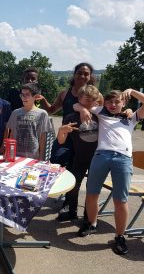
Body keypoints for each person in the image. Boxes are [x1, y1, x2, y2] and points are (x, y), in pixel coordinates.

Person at [76, 89, 144, 256]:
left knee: (120, 200)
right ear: (104, 103)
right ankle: (92, 223)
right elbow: (76, 104)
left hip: (123, 158)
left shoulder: (132, 117)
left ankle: (119, 237)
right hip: (101, 155)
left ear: (123, 103)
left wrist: (132, 91)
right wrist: (84, 109)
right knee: (92, 193)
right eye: (110, 102)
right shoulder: (100, 111)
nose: (113, 105)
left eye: (117, 102)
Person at [38, 62, 100, 167]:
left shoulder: (97, 96)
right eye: (79, 73)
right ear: (74, 74)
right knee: (56, 164)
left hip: (86, 140)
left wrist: (126, 112)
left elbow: (106, 115)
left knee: (78, 171)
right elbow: (51, 110)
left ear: (90, 77)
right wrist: (43, 100)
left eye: (86, 74)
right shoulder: (64, 94)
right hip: (66, 136)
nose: (82, 76)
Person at [55, 85, 100, 222]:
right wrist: (62, 131)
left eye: (93, 100)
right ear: (79, 99)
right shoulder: (71, 117)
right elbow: (61, 141)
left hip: (97, 159)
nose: (89, 102)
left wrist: (127, 110)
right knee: (73, 186)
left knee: (92, 191)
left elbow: (115, 110)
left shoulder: (100, 116)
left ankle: (89, 217)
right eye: (86, 99)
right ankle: (71, 211)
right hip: (79, 157)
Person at [3, 83, 51, 160]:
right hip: (15, 155)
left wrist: (41, 157)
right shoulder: (15, 113)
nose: (24, 98)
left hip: (33, 156)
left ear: (35, 96)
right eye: (22, 95)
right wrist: (7, 153)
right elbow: (11, 135)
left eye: (27, 95)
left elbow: (43, 138)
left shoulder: (42, 114)